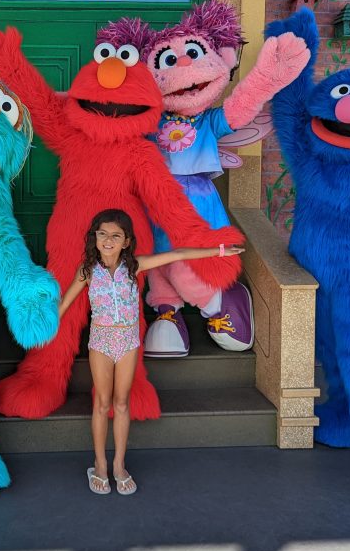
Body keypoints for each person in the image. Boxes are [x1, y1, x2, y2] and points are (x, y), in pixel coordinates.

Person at [58, 209, 244, 496]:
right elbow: (63, 305)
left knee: (121, 403)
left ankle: (119, 465)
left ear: (127, 241)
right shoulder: (86, 271)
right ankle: (100, 464)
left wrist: (219, 251)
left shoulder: (135, 266)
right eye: (103, 234)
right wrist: (38, 324)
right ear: (95, 237)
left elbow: (178, 254)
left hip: (128, 341)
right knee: (102, 403)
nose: (108, 240)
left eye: (115, 236)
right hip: (101, 342)